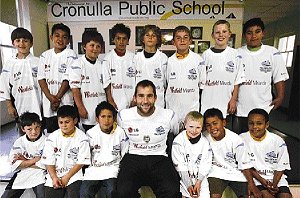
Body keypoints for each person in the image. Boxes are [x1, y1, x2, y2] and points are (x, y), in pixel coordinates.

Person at [116, 79, 180, 198]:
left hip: (159, 158)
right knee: (122, 191)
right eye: (141, 96)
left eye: (149, 96)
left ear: (155, 98)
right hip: (133, 157)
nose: (145, 101)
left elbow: (176, 134)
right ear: (134, 98)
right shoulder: (123, 116)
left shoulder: (169, 116)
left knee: (172, 191)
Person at [234, 18, 289, 134]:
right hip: (241, 108)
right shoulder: (237, 54)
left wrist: (280, 96)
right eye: (249, 33)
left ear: (263, 33)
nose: (253, 36)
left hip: (264, 107)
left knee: (261, 142)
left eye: (257, 31)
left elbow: (279, 77)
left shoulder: (273, 53)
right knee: (240, 142)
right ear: (244, 36)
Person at [203, 108, 261, 198]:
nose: (212, 128)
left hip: (236, 173)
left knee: (249, 195)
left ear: (224, 123)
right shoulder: (204, 137)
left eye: (215, 123)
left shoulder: (236, 140)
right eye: (208, 125)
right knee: (215, 196)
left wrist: (251, 184)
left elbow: (244, 164)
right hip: (216, 173)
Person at [240, 108, 292, 198]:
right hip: (255, 178)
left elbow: (281, 166)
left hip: (276, 179)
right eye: (251, 123)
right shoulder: (241, 139)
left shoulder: (278, 141)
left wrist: (274, 185)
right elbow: (245, 165)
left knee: (286, 196)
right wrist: (262, 180)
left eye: (259, 123)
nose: (255, 127)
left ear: (266, 124)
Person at [80, 101, 128, 198]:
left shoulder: (120, 133)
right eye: (103, 116)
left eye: (109, 117)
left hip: (113, 170)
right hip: (94, 171)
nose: (106, 120)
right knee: (84, 193)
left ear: (114, 118)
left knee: (112, 192)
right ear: (97, 119)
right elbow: (85, 155)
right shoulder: (90, 134)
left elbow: (125, 153)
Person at [200, 20, 245, 123]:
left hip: (226, 104)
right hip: (208, 102)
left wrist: (233, 99)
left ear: (229, 34)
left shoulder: (235, 54)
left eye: (224, 31)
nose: (221, 35)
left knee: (224, 135)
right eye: (217, 32)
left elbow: (237, 81)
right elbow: (202, 82)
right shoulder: (206, 55)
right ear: (212, 35)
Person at [41, 105, 90, 198]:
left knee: (74, 195)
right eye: (61, 122)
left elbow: (81, 162)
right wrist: (54, 177)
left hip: (74, 175)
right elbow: (48, 160)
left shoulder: (82, 138)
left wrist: (67, 177)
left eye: (67, 122)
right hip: (55, 174)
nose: (64, 125)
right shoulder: (52, 138)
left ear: (75, 121)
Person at [38, 23, 77, 133]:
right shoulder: (44, 55)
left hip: (65, 101)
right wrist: (50, 98)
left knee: (68, 131)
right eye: (57, 35)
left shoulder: (70, 54)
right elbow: (41, 78)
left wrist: (57, 98)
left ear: (68, 40)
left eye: (64, 37)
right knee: (52, 133)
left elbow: (68, 78)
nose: (60, 39)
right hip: (49, 102)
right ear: (51, 37)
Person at [165, 25, 206, 125]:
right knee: (172, 138)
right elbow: (166, 83)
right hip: (173, 109)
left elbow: (202, 87)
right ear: (173, 42)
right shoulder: (169, 61)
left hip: (191, 109)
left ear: (190, 41)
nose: (182, 40)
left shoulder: (198, 60)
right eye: (178, 38)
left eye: (185, 37)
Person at [0, 27, 42, 120]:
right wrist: (9, 106)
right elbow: (4, 86)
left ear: (31, 43)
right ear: (13, 43)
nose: (21, 44)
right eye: (18, 40)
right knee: (24, 132)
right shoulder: (9, 64)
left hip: (39, 105)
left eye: (25, 41)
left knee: (38, 131)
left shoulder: (39, 62)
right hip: (19, 106)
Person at [1, 112, 46, 198]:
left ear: (40, 125)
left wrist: (25, 161)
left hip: (40, 174)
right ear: (23, 129)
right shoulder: (19, 142)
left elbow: (46, 164)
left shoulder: (47, 141)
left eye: (36, 127)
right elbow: (14, 162)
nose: (34, 132)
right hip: (22, 173)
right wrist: (35, 160)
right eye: (29, 129)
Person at [70, 30, 106, 132]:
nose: (95, 49)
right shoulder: (77, 64)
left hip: (102, 114)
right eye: (92, 45)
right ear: (84, 46)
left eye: (98, 46)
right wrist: (80, 108)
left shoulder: (103, 65)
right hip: (87, 112)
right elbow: (75, 90)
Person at [172, 111, 212, 198]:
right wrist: (188, 185)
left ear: (202, 128)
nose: (194, 130)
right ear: (185, 125)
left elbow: (206, 164)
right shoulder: (178, 141)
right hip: (184, 180)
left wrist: (199, 182)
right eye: (191, 126)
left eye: (198, 127)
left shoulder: (205, 143)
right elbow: (180, 166)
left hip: (201, 181)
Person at [102, 23, 135, 110]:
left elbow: (138, 79)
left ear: (128, 41)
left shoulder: (134, 58)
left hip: (132, 102)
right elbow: (106, 82)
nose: (121, 42)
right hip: (115, 103)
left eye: (124, 39)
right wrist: (110, 100)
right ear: (113, 40)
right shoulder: (107, 59)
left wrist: (135, 98)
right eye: (118, 38)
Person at [134, 25, 168, 108]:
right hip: (140, 102)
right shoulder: (136, 58)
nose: (150, 38)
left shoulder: (163, 58)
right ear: (142, 39)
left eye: (153, 36)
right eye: (147, 35)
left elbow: (166, 83)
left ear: (157, 40)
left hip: (158, 102)